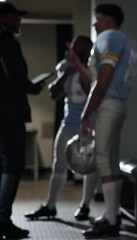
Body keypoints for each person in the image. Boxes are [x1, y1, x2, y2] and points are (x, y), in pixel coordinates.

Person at [67, 3, 137, 239]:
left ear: (109, 20)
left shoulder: (109, 36)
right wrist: (77, 65)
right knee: (111, 160)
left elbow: (104, 79)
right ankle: (112, 214)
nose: (95, 24)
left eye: (98, 19)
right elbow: (99, 77)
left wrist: (86, 113)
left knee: (103, 161)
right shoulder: (126, 41)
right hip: (117, 104)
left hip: (108, 104)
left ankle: (110, 220)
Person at [23, 35, 100, 222]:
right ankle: (50, 206)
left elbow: (91, 87)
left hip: (88, 126)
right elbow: (54, 93)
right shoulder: (65, 67)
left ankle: (85, 205)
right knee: (59, 165)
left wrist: (80, 67)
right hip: (68, 124)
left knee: (90, 166)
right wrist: (69, 69)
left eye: (79, 47)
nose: (76, 50)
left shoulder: (93, 67)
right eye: (74, 46)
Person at [0, 2, 46, 239]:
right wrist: (34, 87)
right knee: (13, 164)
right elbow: (16, 75)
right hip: (8, 114)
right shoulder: (5, 42)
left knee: (3, 165)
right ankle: (3, 220)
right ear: (3, 18)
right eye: (15, 17)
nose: (19, 21)